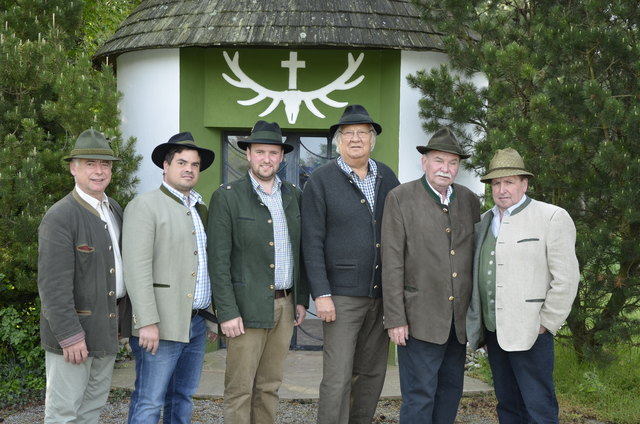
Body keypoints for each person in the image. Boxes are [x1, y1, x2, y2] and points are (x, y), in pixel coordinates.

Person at [301, 104, 400, 424]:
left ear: (372, 140)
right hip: (341, 296)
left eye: (362, 133)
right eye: (348, 134)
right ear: (339, 141)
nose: (356, 138)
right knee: (338, 376)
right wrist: (322, 293)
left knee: (371, 373)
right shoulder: (321, 180)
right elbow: (311, 241)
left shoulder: (387, 176)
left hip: (381, 293)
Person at [466, 148, 580, 423]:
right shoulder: (483, 222)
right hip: (494, 331)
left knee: (538, 404)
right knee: (507, 404)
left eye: (509, 182)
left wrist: (546, 322)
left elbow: (566, 277)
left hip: (532, 329)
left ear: (524, 184)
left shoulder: (551, 217)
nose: (502, 189)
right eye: (496, 183)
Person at [208, 120, 309, 424]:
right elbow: (218, 261)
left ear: (282, 157)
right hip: (244, 308)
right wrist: (226, 312)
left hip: (284, 305)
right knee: (240, 389)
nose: (267, 158)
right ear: (249, 154)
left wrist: (300, 299)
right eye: (260, 152)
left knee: (269, 387)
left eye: (273, 153)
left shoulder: (293, 195)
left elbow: (301, 250)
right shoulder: (227, 196)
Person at [382, 127, 480, 423]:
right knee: (420, 396)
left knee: (450, 392)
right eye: (439, 161)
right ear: (425, 162)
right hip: (419, 320)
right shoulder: (401, 198)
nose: (445, 168)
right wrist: (396, 318)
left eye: (452, 163)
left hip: (457, 321)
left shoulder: (469, 199)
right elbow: (392, 261)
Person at [123, 132, 217, 423]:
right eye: (181, 162)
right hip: (160, 325)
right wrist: (147, 321)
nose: (189, 169)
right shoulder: (145, 205)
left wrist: (211, 315)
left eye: (195, 164)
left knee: (182, 397)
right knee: (150, 400)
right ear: (166, 166)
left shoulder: (200, 208)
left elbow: (205, 264)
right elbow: (136, 268)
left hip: (197, 323)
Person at [38, 129, 131, 423]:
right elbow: (53, 288)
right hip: (74, 337)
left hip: (105, 329)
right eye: (90, 163)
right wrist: (69, 336)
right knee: (63, 413)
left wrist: (120, 320)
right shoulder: (60, 216)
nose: (99, 171)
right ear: (73, 168)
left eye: (105, 164)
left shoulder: (113, 208)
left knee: (91, 409)